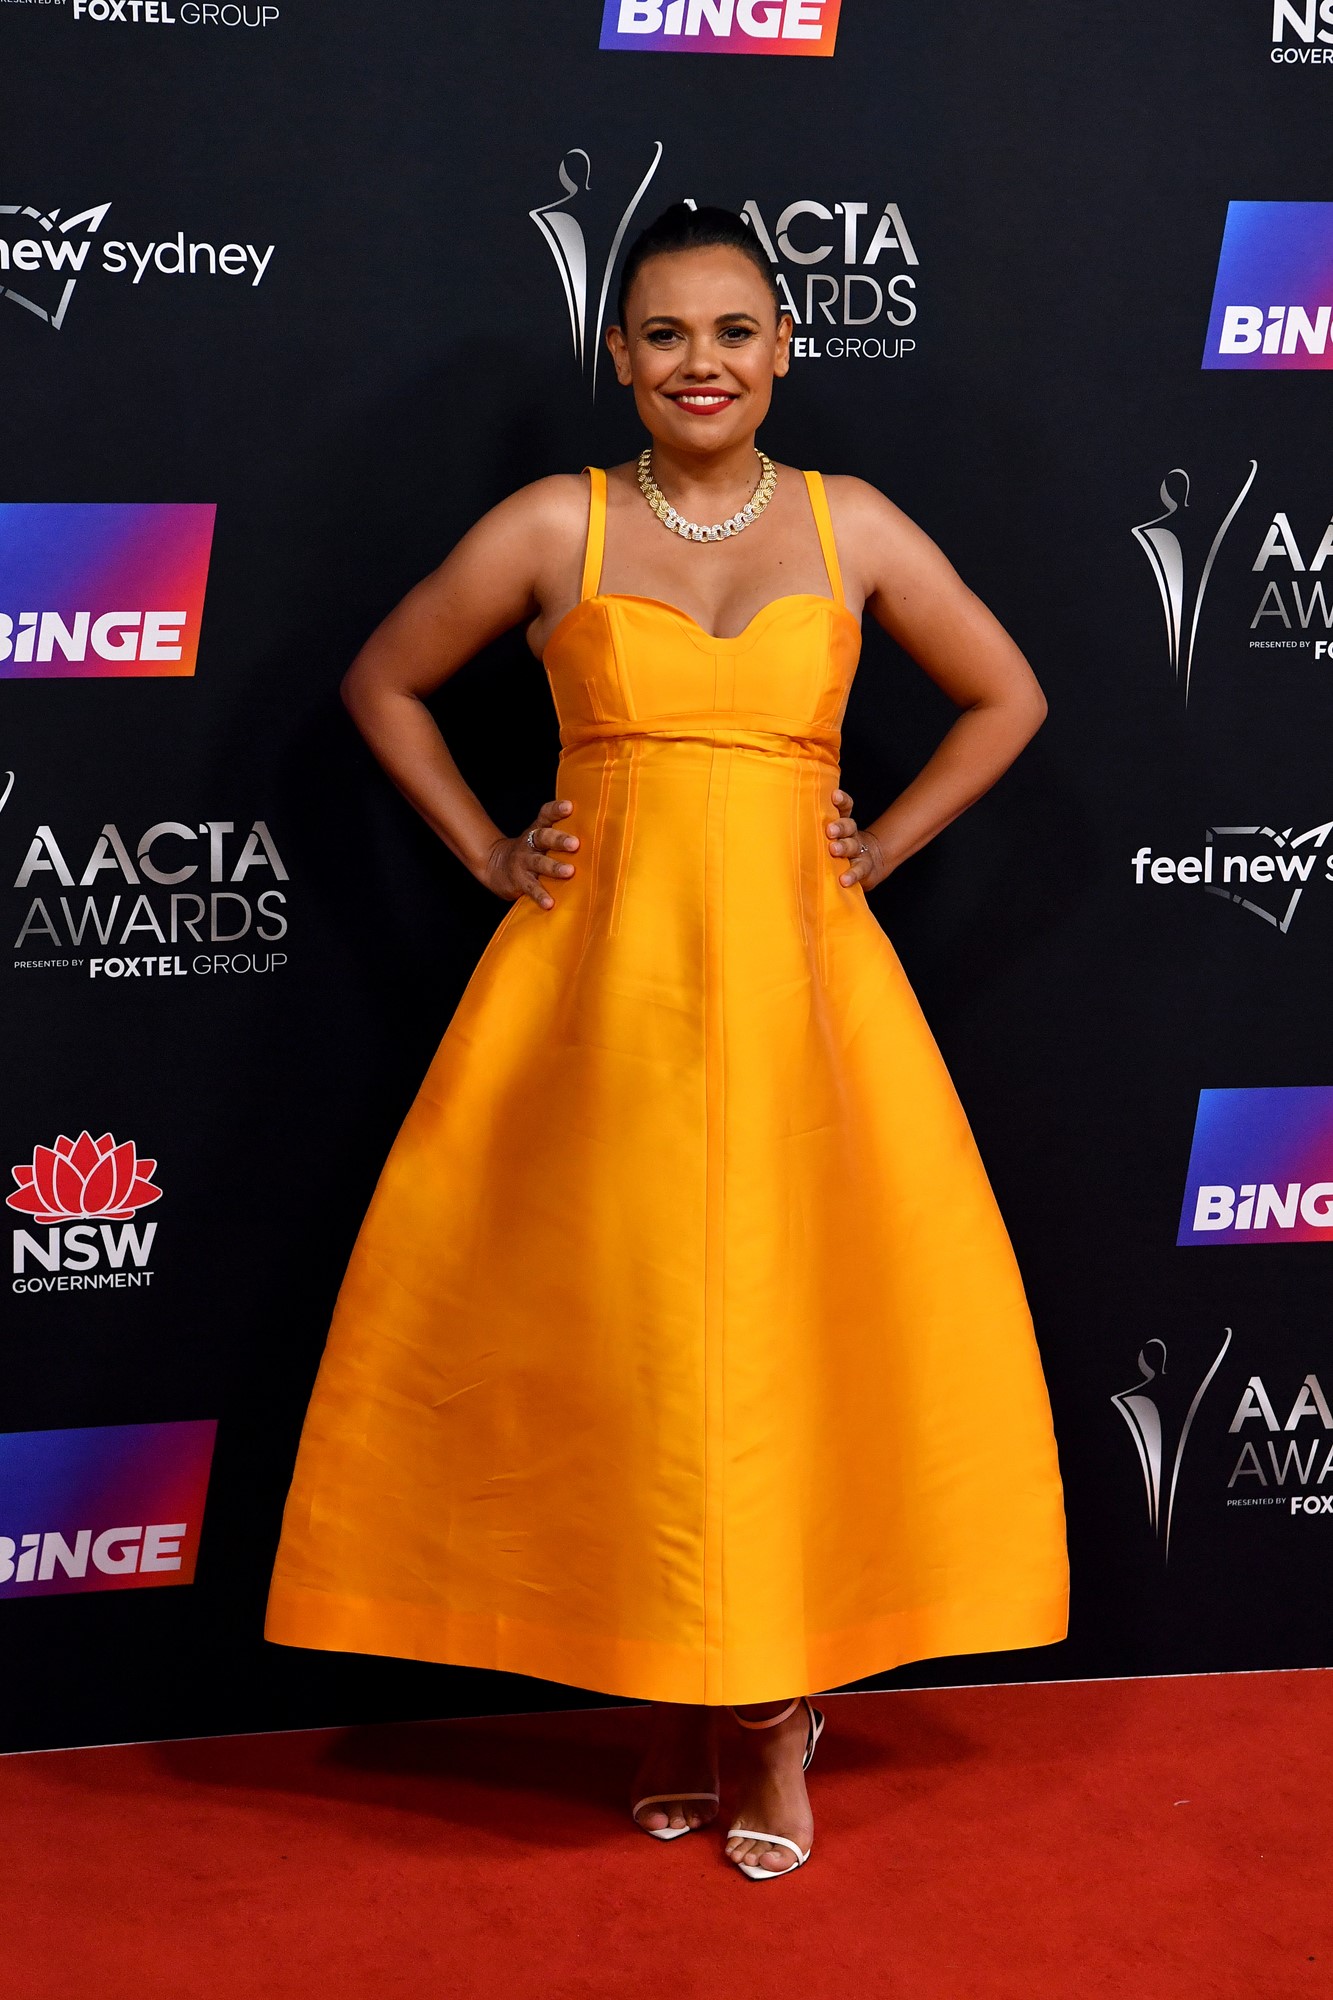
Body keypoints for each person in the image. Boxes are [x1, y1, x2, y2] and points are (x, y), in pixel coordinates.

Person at [265, 203, 1069, 1881]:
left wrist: (879, 845)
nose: (699, 363)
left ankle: (770, 1715)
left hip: (799, 1001)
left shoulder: (856, 531)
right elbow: (382, 680)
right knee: (618, 1339)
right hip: (594, 1001)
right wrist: (490, 850)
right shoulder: (556, 525)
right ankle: (656, 1685)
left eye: (731, 332)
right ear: (618, 358)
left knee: (778, 1346)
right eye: (663, 334)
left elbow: (1010, 696)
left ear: (782, 351)